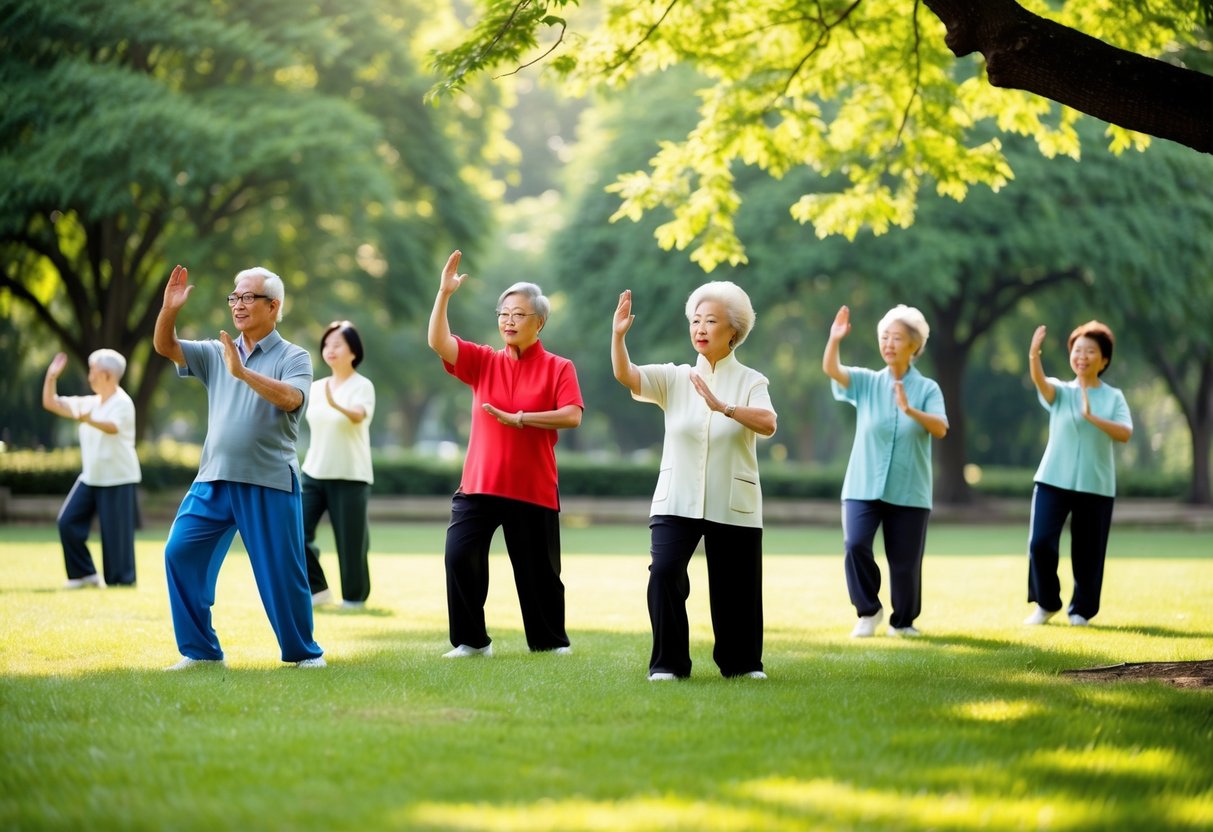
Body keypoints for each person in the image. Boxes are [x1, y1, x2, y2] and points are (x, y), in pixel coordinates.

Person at [153, 263, 325, 669]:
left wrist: (242, 372)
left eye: (248, 297)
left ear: (273, 305)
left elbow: (292, 400)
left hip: (267, 479)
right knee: (179, 553)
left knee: (282, 574)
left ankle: (304, 654)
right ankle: (201, 652)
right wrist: (169, 309)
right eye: (235, 297)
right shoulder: (217, 350)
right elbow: (166, 346)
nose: (239, 304)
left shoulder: (294, 356)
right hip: (213, 478)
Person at [612, 284, 777, 681]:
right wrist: (618, 337)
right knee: (664, 572)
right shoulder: (675, 377)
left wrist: (725, 408)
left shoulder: (752, 381)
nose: (700, 328)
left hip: (732, 499)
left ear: (733, 332)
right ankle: (668, 664)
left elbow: (769, 423)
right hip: (676, 500)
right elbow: (626, 375)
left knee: (735, 587)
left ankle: (742, 664)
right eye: (695, 321)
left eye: (711, 321)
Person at [427, 249, 584, 658]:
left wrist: (523, 419)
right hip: (479, 484)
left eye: (519, 314)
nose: (509, 321)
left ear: (540, 322)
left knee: (539, 574)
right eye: (504, 314)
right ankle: (471, 641)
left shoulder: (558, 367)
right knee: (460, 556)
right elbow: (439, 342)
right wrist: (444, 294)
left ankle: (549, 642)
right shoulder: (483, 361)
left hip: (531, 487)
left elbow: (571, 416)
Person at [823, 304, 948, 638]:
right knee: (855, 544)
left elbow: (940, 428)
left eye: (896, 338)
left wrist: (910, 410)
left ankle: (903, 622)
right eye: (884, 337)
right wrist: (835, 340)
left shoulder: (928, 389)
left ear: (914, 345)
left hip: (910, 489)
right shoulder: (866, 382)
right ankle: (868, 611)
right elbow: (833, 370)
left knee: (905, 562)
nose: (888, 343)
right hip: (862, 486)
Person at [1023, 321, 1133, 627]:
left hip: (1095, 485)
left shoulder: (1113, 398)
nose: (1082, 356)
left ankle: (1081, 611)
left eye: (1090, 351)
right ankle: (1046, 603)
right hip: (1052, 480)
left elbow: (1125, 433)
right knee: (1040, 543)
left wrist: (1092, 417)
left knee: (1088, 553)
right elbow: (1040, 382)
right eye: (1077, 350)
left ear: (1104, 359)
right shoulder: (1060, 391)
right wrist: (1034, 355)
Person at [41, 349, 141, 588]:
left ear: (106, 374)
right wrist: (51, 377)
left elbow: (112, 427)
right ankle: (83, 574)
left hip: (118, 478)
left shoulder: (123, 403)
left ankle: (122, 582)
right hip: (91, 477)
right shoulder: (90, 403)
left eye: (92, 371)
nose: (89, 376)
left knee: (115, 537)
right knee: (67, 522)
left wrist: (88, 419)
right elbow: (50, 403)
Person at [300, 321, 376, 609]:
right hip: (313, 472)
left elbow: (358, 416)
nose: (329, 350)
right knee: (295, 531)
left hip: (350, 475)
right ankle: (317, 590)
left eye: (337, 344)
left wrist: (337, 404)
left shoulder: (362, 386)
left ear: (353, 352)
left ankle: (355, 599)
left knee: (351, 543)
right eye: (327, 344)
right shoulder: (316, 387)